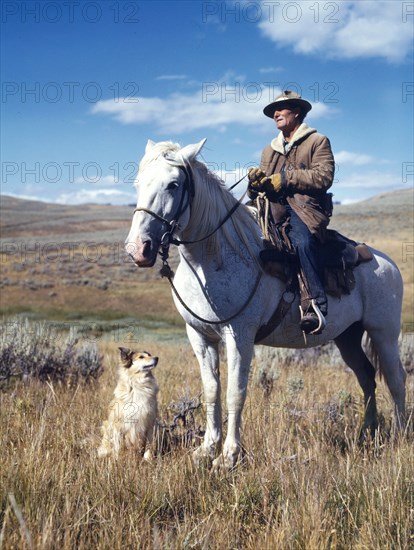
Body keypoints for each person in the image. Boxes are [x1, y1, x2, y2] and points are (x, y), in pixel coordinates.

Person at [248, 90, 335, 334]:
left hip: (305, 209)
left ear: (296, 112)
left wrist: (285, 179)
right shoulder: (269, 150)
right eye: (273, 112)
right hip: (271, 209)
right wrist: (254, 185)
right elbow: (263, 187)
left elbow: (324, 176)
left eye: (281, 109)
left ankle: (315, 304)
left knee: (303, 242)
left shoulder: (317, 141)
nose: (275, 114)